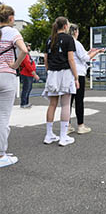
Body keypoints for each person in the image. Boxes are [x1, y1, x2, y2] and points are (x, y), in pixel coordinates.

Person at [42, 17, 79, 147]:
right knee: (65, 104)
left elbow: (46, 59)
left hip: (52, 73)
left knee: (52, 104)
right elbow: (71, 60)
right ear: (65, 26)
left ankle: (49, 135)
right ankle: (63, 136)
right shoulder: (69, 39)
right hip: (65, 74)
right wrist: (76, 77)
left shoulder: (49, 39)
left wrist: (49, 71)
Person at [0, 4, 27, 168]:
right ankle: (1, 154)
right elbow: (23, 50)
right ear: (11, 18)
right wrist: (16, 65)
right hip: (6, 76)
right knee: (3, 117)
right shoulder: (12, 31)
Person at [68, 24, 105, 134]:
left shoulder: (67, 42)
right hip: (79, 73)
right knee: (79, 101)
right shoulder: (76, 43)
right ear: (75, 31)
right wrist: (96, 52)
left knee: (68, 101)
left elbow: (80, 55)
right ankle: (81, 125)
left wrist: (89, 51)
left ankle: (67, 125)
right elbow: (85, 58)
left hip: (69, 73)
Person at [20, 42, 40, 108]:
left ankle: (26, 102)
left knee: (28, 88)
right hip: (26, 74)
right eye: (28, 46)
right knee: (26, 88)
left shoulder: (28, 55)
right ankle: (23, 103)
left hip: (29, 74)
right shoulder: (24, 54)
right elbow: (28, 65)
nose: (29, 47)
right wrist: (34, 74)